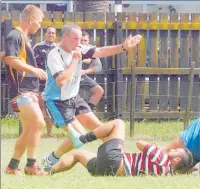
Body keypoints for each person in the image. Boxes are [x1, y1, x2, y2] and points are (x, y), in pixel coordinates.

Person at [41, 23, 142, 171]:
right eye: (76, 39)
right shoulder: (54, 54)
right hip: (57, 102)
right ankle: (51, 159)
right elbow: (61, 81)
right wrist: (75, 60)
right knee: (81, 136)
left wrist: (123, 47)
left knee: (100, 129)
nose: (79, 43)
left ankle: (117, 160)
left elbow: (100, 51)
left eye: (81, 39)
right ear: (65, 37)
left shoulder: (80, 49)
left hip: (74, 98)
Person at [48, 119, 194, 176]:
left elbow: (140, 144)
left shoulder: (162, 158)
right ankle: (47, 172)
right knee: (78, 155)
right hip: (108, 172)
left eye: (175, 151)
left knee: (119, 123)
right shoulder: (168, 175)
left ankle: (82, 139)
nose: (172, 149)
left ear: (175, 161)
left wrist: (157, 148)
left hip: (115, 160)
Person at [3, 5, 47, 176]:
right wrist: (34, 70)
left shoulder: (22, 37)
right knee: (38, 123)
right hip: (21, 92)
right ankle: (31, 165)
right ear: (31, 20)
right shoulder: (15, 35)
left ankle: (12, 167)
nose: (40, 26)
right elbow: (11, 60)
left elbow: (8, 55)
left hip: (24, 93)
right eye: (39, 22)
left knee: (29, 128)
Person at [33, 26, 57, 137]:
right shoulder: (37, 47)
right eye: (49, 33)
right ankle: (36, 132)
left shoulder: (58, 48)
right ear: (45, 34)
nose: (51, 35)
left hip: (53, 82)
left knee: (49, 107)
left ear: (55, 35)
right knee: (40, 107)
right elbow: (31, 63)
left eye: (53, 33)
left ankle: (49, 133)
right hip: (39, 81)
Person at [79, 31, 104, 112]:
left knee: (99, 90)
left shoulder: (91, 50)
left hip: (82, 77)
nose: (83, 42)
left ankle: (88, 112)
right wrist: (82, 60)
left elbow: (98, 67)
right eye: (81, 40)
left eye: (85, 40)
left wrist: (85, 71)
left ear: (88, 41)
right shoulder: (73, 47)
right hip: (70, 78)